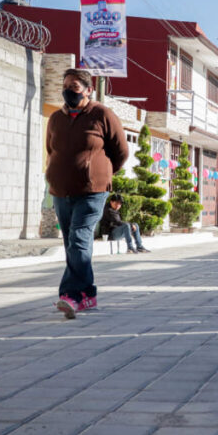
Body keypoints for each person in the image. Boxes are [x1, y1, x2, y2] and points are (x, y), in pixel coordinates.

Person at [46, 69, 128, 318]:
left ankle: (72, 295)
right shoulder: (56, 118)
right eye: (66, 85)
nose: (69, 90)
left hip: (92, 191)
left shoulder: (101, 114)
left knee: (79, 239)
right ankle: (88, 293)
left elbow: (121, 150)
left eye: (75, 86)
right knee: (71, 244)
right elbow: (51, 149)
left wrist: (100, 172)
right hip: (61, 191)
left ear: (88, 90)